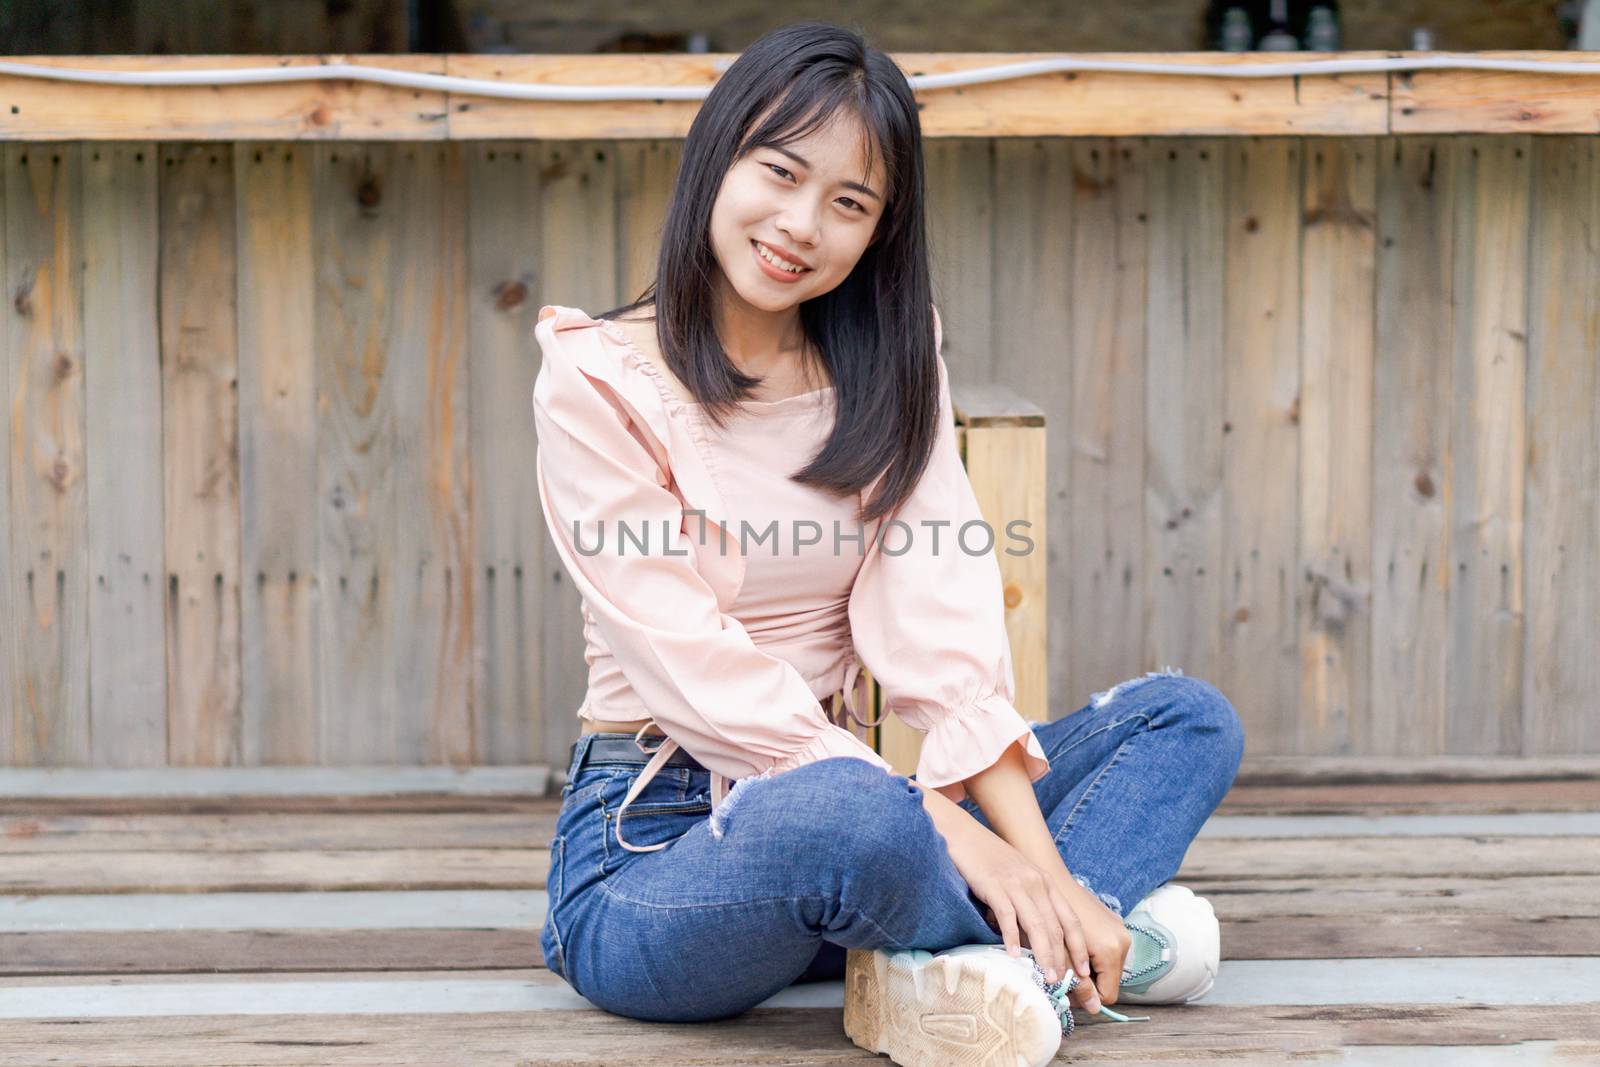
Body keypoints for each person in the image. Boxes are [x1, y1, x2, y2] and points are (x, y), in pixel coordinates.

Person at [532, 19, 1245, 1066]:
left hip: (874, 821)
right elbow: (695, 671)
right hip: (658, 857)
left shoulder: (890, 363)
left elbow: (940, 617)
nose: (799, 224)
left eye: (848, 203)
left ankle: (985, 952)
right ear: (716, 157)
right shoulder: (596, 378)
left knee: (1187, 718)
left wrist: (1037, 864)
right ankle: (1094, 945)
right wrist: (951, 835)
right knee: (854, 817)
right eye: (778, 173)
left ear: (878, 232)